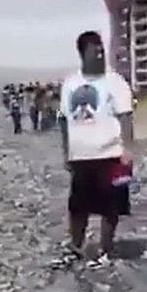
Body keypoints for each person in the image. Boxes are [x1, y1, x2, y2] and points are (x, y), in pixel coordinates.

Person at [58, 30, 135, 258]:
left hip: (110, 153)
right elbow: (63, 119)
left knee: (111, 208)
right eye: (95, 50)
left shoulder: (115, 82)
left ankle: (106, 248)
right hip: (80, 155)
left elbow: (126, 116)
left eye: (102, 48)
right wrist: (66, 153)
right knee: (78, 207)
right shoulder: (71, 83)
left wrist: (128, 149)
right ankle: (75, 246)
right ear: (83, 53)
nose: (101, 53)